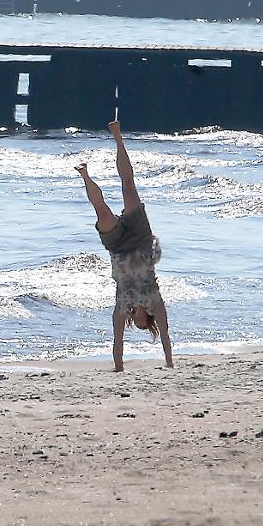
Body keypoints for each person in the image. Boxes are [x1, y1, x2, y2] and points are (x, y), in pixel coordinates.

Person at [75, 120, 174, 372]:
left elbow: (117, 340)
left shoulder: (122, 309)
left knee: (102, 212)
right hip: (141, 240)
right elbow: (165, 336)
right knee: (128, 185)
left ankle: (85, 174)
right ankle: (118, 137)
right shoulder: (157, 304)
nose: (138, 324)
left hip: (118, 248)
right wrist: (170, 363)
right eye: (143, 325)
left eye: (137, 325)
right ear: (148, 320)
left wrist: (118, 367)